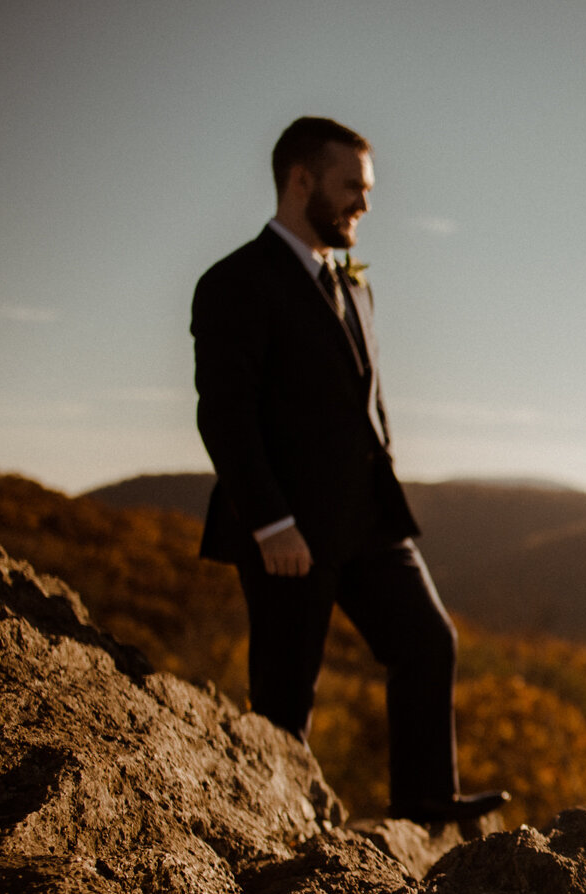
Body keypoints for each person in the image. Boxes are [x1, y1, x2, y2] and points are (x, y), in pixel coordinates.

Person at [191, 116, 506, 825]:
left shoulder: (352, 285)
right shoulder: (236, 282)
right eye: (351, 188)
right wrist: (271, 522)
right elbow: (226, 416)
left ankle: (424, 801)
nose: (364, 204)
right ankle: (272, 833)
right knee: (285, 698)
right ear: (301, 181)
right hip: (289, 532)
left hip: (368, 518)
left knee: (428, 643)